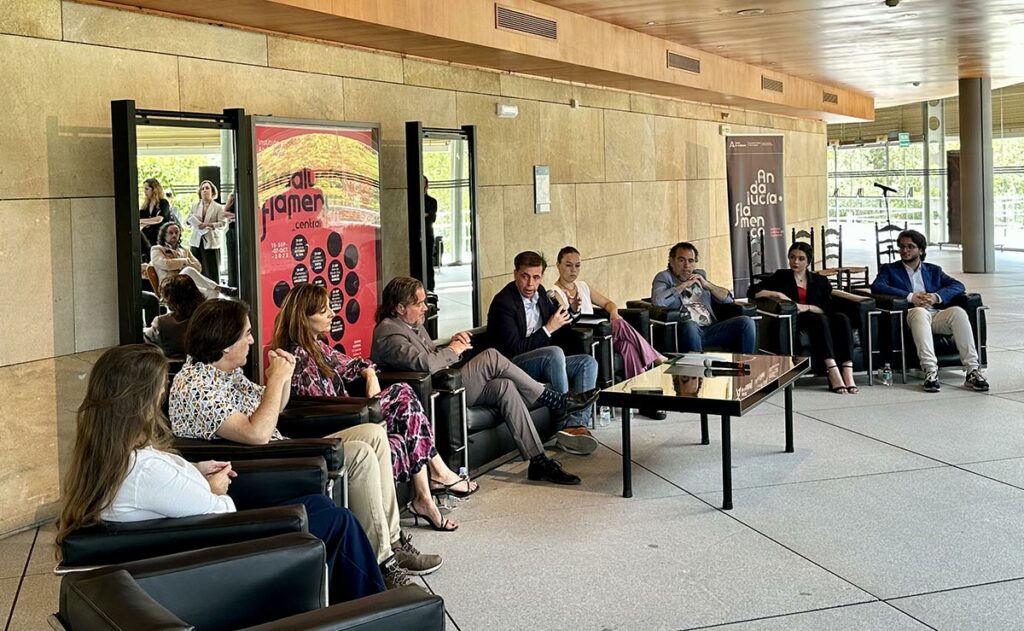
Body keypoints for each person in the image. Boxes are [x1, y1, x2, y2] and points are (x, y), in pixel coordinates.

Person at [54, 345, 386, 603]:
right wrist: (213, 487)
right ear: (142, 399)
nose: (164, 394)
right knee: (339, 521)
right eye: (159, 388)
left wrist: (194, 473)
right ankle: (376, 609)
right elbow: (221, 511)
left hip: (194, 538)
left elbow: (158, 493)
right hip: (219, 551)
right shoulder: (146, 470)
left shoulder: (104, 458)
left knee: (321, 506)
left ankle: (356, 606)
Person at [168, 299, 441, 587]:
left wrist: (281, 378)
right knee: (359, 453)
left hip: (279, 447)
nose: (251, 340)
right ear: (224, 344)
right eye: (246, 334)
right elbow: (257, 433)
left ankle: (393, 541)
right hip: (265, 465)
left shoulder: (226, 373)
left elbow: (273, 408)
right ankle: (383, 559)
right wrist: (276, 381)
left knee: (373, 433)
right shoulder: (197, 387)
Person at [272, 283, 473, 531]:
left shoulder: (319, 348)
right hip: (340, 423)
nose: (332, 315)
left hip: (351, 413)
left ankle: (426, 495)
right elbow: (318, 409)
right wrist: (360, 404)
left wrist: (369, 374)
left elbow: (358, 363)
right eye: (324, 311)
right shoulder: (300, 357)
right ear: (304, 317)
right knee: (403, 393)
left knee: (405, 423)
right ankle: (435, 478)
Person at [372, 277, 597, 485]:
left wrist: (450, 344)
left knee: (505, 386)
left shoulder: (413, 324)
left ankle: (538, 461)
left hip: (448, 384)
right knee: (491, 357)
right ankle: (556, 400)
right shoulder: (388, 332)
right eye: (418, 304)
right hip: (437, 395)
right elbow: (425, 365)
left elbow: (429, 355)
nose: (425, 308)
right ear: (399, 308)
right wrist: (452, 350)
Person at [486, 251, 600, 455]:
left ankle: (574, 426)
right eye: (525, 276)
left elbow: (559, 326)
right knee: (554, 353)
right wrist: (547, 328)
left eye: (536, 277)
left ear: (542, 277)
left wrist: (572, 312)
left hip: (543, 360)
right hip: (513, 365)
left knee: (587, 362)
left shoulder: (541, 297)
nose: (530, 284)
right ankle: (563, 421)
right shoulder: (503, 303)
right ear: (515, 274)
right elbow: (513, 350)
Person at [870, 229, 990, 393]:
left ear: (921, 250)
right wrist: (911, 297)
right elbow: (877, 286)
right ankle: (930, 371)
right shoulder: (890, 270)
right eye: (902, 247)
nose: (905, 250)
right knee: (919, 312)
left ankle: (972, 371)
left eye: (910, 247)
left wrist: (936, 297)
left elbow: (958, 286)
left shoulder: (934, 270)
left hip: (935, 315)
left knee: (958, 312)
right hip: (912, 315)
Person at [748, 242, 858, 394]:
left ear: (808, 261)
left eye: (801, 258)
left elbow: (825, 307)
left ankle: (847, 369)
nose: (795, 262)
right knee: (820, 320)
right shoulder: (782, 276)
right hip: (799, 320)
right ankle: (832, 369)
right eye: (792, 257)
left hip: (816, 313)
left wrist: (805, 307)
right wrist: (777, 294)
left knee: (842, 318)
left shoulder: (820, 281)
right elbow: (753, 291)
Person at [551, 246, 666, 379]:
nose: (573, 270)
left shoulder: (583, 286)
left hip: (604, 334)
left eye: (577, 266)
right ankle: (655, 356)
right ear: (558, 265)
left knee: (627, 345)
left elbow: (608, 303)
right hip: (586, 338)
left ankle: (638, 386)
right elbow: (566, 320)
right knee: (621, 328)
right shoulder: (555, 292)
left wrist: (614, 313)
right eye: (568, 265)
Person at [651, 242, 756, 354]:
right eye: (681, 260)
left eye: (691, 261)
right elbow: (658, 301)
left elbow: (728, 299)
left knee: (746, 322)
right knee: (690, 324)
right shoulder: (664, 277)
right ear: (671, 261)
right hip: (686, 330)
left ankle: (745, 366)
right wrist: (683, 286)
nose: (686, 266)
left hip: (710, 329)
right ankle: (697, 368)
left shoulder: (700, 276)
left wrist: (708, 285)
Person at [150, 222, 235, 299]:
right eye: (171, 233)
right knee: (188, 270)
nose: (174, 235)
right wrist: (185, 262)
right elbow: (166, 264)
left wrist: (181, 263)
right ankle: (220, 288)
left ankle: (201, 314)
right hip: (169, 286)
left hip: (186, 286)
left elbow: (198, 267)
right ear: (164, 235)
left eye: (177, 233)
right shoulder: (157, 249)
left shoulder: (184, 250)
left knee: (213, 292)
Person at [144, 274, 206, 359]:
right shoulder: (207, 317)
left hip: (170, 367)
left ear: (170, 299)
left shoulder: (162, 322)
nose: (162, 300)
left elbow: (147, 343)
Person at [187, 180, 228, 284]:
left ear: (212, 192)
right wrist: (191, 220)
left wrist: (210, 225)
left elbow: (223, 224)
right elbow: (186, 222)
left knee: (211, 270)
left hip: (211, 242)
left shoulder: (218, 207)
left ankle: (214, 294)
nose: (204, 190)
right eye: (202, 188)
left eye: (207, 188)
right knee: (196, 269)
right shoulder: (194, 206)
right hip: (196, 241)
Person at [140, 177, 172, 248]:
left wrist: (142, 221)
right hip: (147, 239)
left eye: (147, 189)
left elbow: (158, 219)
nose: (145, 191)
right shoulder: (146, 205)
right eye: (144, 189)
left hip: (159, 238)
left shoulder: (163, 203)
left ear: (154, 189)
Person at [423, 177, 437, 291]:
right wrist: (424, 215)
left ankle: (430, 288)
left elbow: (431, 218)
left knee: (428, 262)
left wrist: (426, 216)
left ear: (426, 185)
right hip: (416, 236)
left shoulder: (432, 201)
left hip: (428, 235)